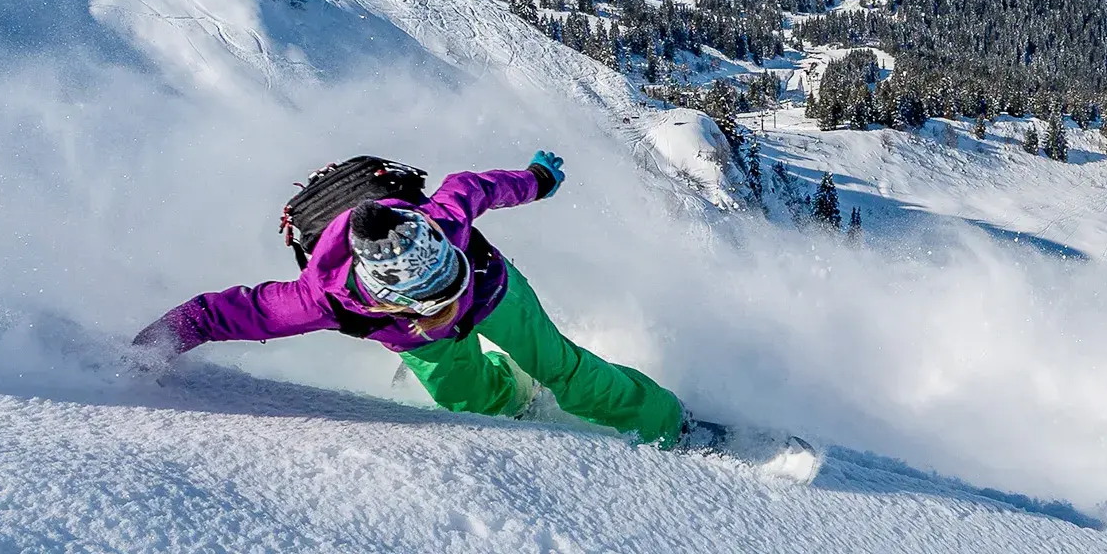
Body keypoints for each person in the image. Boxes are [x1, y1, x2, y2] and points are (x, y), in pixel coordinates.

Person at [133, 152, 695, 447]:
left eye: (451, 281)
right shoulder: (321, 300)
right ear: (387, 299)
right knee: (468, 400)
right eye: (439, 300)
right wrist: (145, 351)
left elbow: (473, 187)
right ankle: (514, 396)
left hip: (496, 290)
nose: (453, 304)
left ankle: (667, 422)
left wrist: (537, 179)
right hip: (419, 340)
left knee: (566, 368)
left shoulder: (439, 222)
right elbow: (217, 314)